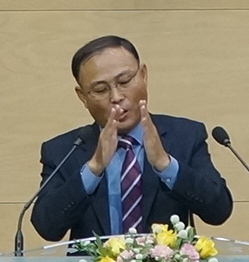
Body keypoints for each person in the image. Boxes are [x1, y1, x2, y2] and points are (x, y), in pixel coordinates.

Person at [30, 34, 232, 243]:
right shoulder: (64, 150)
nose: (116, 97)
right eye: (100, 90)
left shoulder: (185, 136)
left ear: (143, 75)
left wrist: (165, 164)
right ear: (83, 97)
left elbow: (219, 211)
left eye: (124, 81)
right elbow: (47, 228)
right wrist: (93, 168)